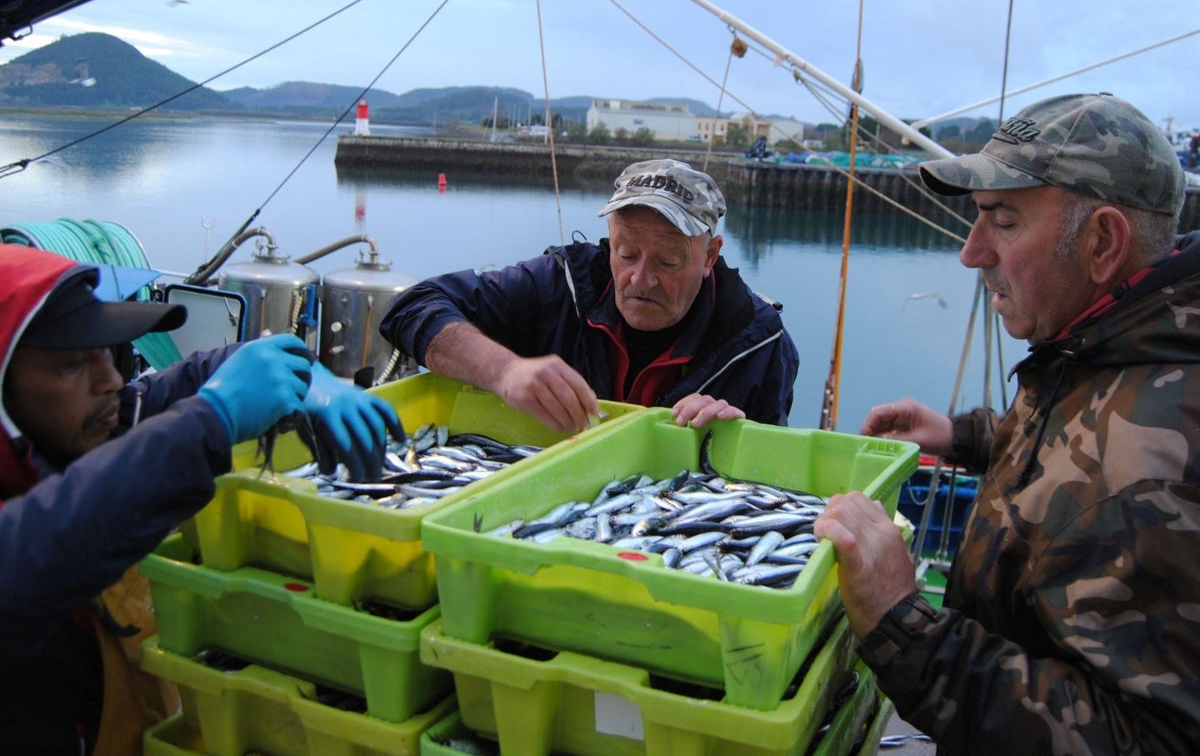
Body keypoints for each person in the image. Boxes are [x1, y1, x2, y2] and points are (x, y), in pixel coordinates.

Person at [814, 92, 1200, 754]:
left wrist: (903, 623)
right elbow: (1083, 443)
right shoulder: (1110, 338)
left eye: (1004, 222)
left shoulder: (1168, 463)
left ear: (1103, 242)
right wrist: (964, 438)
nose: (970, 253)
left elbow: (1147, 739)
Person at [0, 246, 403, 755]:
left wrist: (299, 372)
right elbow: (33, 552)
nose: (111, 381)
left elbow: (189, 381)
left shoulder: (89, 424)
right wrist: (211, 420)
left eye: (110, 352)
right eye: (73, 364)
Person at [379, 158, 799, 429]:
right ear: (609, 240)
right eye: (627, 252)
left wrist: (740, 436)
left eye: (668, 262)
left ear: (710, 256)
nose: (640, 279)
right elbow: (412, 307)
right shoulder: (559, 284)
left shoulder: (760, 341)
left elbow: (772, 486)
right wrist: (503, 370)